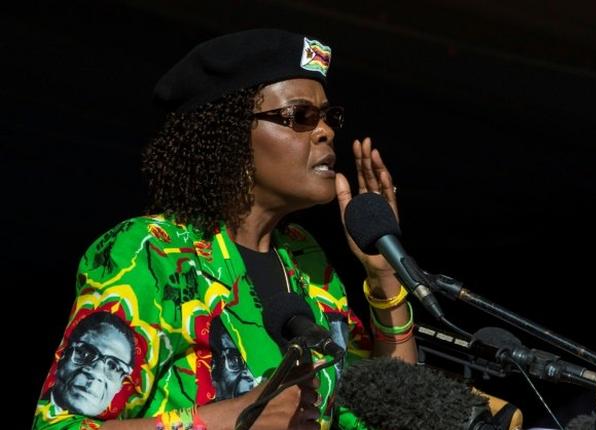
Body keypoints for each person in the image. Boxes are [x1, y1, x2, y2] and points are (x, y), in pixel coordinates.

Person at [33, 28, 416, 430]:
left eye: (328, 117)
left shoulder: (304, 259)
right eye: (301, 116)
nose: (326, 131)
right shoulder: (151, 252)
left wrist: (385, 277)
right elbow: (60, 427)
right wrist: (232, 419)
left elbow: (390, 413)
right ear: (234, 135)